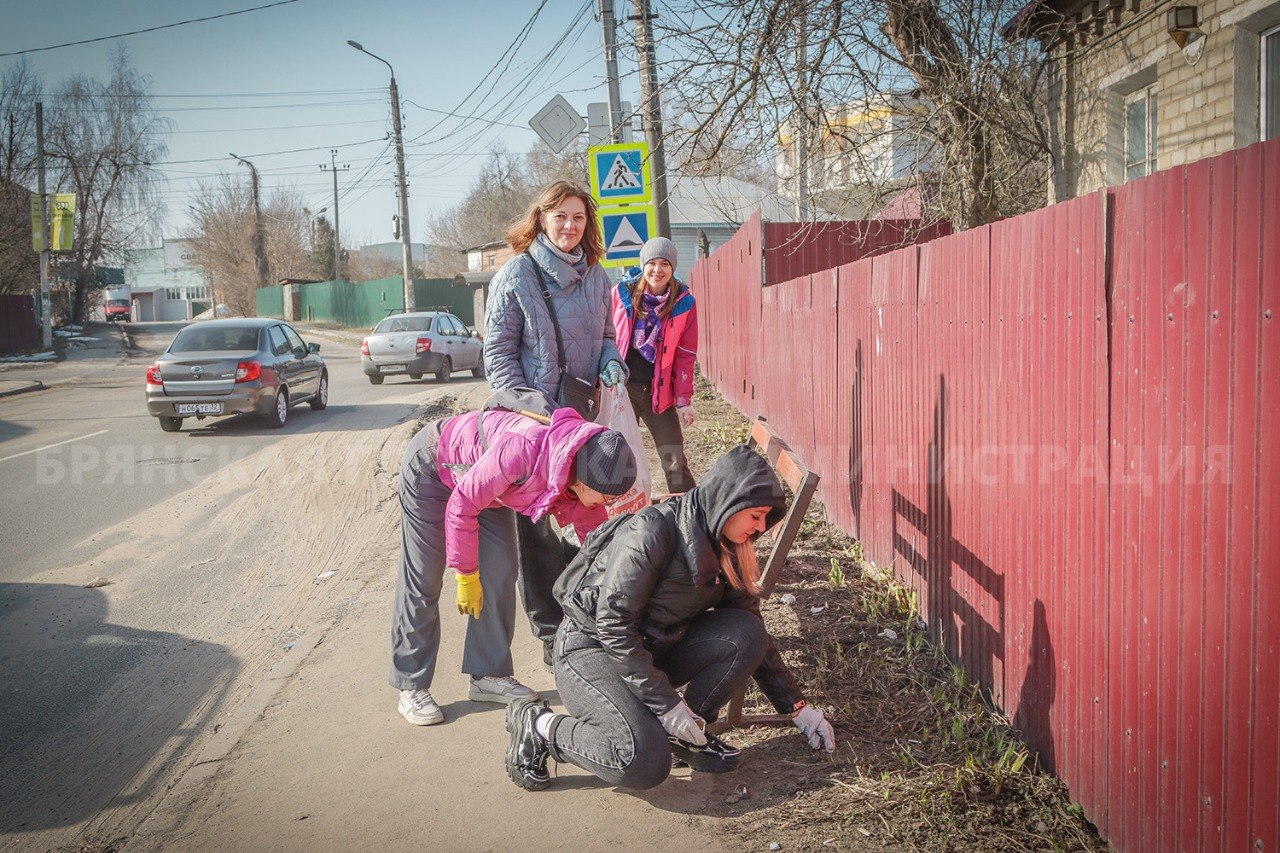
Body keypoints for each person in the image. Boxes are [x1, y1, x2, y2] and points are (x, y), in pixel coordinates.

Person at [502, 445, 836, 791]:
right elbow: (614, 626)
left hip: (651, 650)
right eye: (756, 515)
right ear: (728, 500)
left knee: (747, 631)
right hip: (592, 648)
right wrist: (667, 705)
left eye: (767, 518)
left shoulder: (728, 545)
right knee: (641, 762)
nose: (761, 526)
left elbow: (755, 635)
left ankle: (682, 734)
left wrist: (797, 708)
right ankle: (539, 725)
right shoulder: (653, 531)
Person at [390, 406, 637, 726]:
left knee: (501, 570)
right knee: (424, 577)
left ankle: (488, 674)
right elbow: (461, 506)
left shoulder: (581, 472)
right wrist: (465, 574)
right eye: (604, 496)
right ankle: (412, 684)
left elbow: (597, 548)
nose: (607, 503)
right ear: (584, 479)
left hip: (490, 486)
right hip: (434, 467)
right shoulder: (522, 450)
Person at [483, 180, 628, 665]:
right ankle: (550, 634)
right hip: (533, 425)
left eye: (579, 218)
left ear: (588, 225)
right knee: (541, 528)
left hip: (581, 417)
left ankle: (582, 623)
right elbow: (499, 359)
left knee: (585, 517)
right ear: (541, 219)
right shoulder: (517, 275)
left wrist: (611, 361)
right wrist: (534, 415)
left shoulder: (596, 276)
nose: (570, 226)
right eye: (560, 216)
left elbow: (608, 335)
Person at [612, 236, 697, 494]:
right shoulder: (621, 294)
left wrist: (684, 400)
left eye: (664, 264)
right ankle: (617, 515)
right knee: (615, 457)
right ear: (643, 264)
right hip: (620, 390)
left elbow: (685, 355)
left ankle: (687, 513)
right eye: (652, 263)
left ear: (673, 268)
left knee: (674, 459)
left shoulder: (684, 304)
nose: (657, 270)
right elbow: (602, 335)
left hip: (658, 393)